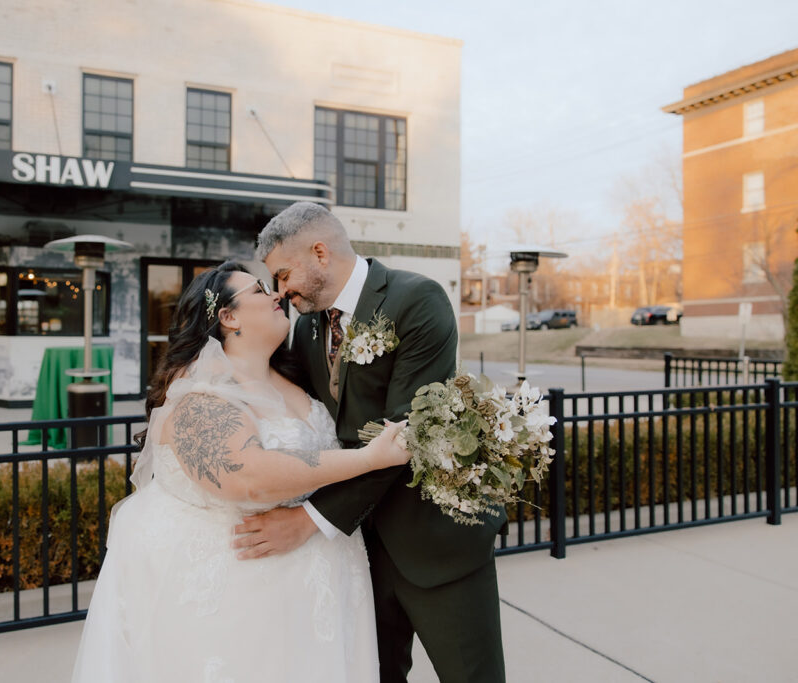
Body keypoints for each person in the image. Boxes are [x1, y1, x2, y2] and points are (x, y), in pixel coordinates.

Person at [70, 261, 409, 683]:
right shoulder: (197, 393)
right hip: (239, 594)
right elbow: (245, 475)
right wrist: (368, 458)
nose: (276, 295)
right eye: (259, 290)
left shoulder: (297, 378)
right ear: (228, 317)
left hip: (319, 590)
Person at [234, 202, 507, 683]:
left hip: (435, 542)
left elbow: (403, 434)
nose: (280, 291)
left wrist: (309, 520)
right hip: (357, 552)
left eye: (282, 274)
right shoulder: (307, 326)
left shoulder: (417, 300)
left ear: (319, 252)